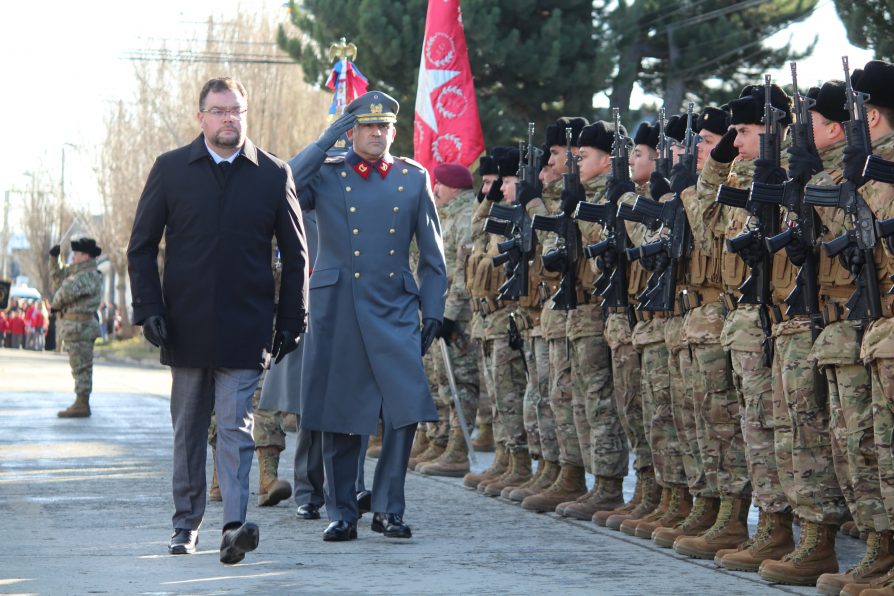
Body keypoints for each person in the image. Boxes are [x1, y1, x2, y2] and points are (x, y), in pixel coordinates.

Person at [126, 77, 308, 564]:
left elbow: (296, 254)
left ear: (246, 114)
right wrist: (149, 310)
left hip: (246, 328)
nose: (229, 118)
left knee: (235, 427)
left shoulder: (273, 174)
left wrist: (293, 317)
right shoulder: (170, 171)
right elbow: (140, 248)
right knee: (188, 431)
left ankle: (233, 527)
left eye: (237, 110)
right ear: (200, 116)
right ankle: (185, 526)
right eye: (219, 110)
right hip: (184, 326)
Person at [290, 90, 447, 542]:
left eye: (384, 127)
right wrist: (325, 141)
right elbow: (283, 183)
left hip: (394, 308)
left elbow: (433, 256)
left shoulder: (412, 178)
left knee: (403, 411)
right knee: (343, 414)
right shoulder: (326, 174)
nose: (377, 134)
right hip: (338, 308)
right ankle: (343, 512)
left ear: (393, 131)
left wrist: (433, 310)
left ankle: (388, 509)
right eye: (367, 126)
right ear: (351, 130)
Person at [416, 162, 480, 478]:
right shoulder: (449, 216)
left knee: (461, 382)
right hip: (444, 312)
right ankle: (442, 441)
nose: (435, 191)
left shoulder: (466, 217)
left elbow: (463, 274)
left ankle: (457, 450)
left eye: (437, 184)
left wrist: (449, 316)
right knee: (443, 380)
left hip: (462, 317)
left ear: (452, 186)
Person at [50, 238, 103, 417]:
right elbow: (60, 276)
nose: (73, 258)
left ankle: (82, 403)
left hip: (82, 327)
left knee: (82, 367)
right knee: (78, 366)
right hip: (76, 328)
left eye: (76, 254)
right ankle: (81, 402)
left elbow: (64, 292)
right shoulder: (79, 272)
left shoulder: (88, 275)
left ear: (86, 256)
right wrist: (54, 259)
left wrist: (55, 304)